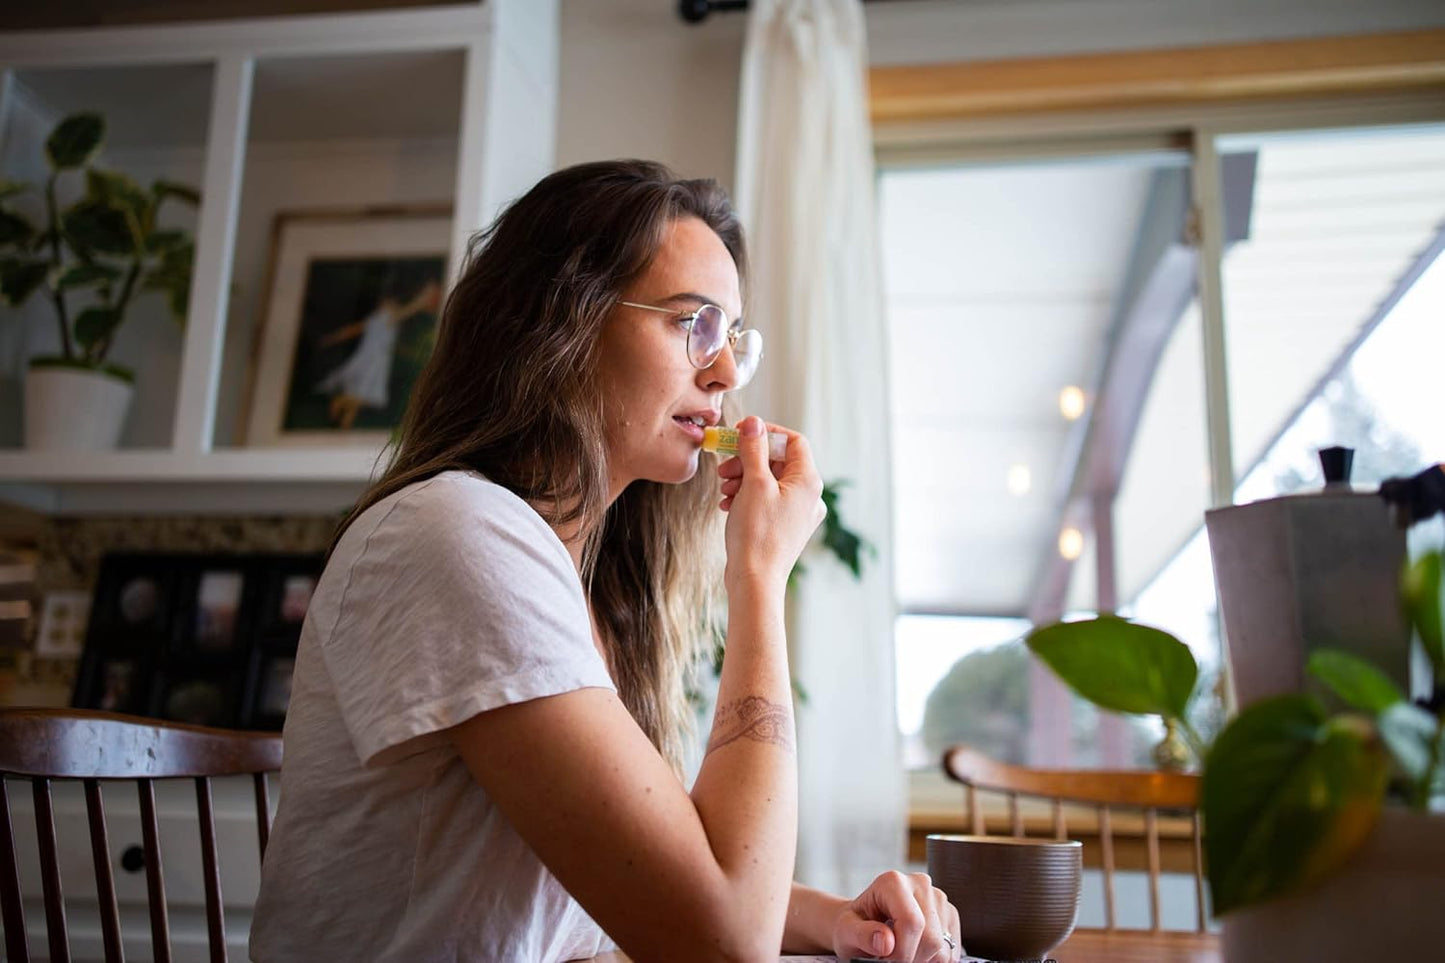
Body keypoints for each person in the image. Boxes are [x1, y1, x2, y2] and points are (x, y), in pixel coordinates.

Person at [249, 160, 961, 963]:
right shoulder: (456, 533)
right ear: (563, 322)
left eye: (731, 337)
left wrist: (836, 919)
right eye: (692, 322)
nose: (724, 371)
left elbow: (657, 875)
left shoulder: (583, 579)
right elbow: (722, 940)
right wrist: (758, 576)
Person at [313, 276, 443, 430]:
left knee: (359, 398)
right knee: (365, 396)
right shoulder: (386, 317)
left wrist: (330, 339)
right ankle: (340, 402)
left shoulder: (377, 319)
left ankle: (344, 426)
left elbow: (350, 331)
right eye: (390, 303)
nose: (392, 306)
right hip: (372, 362)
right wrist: (423, 299)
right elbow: (408, 310)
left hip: (370, 360)